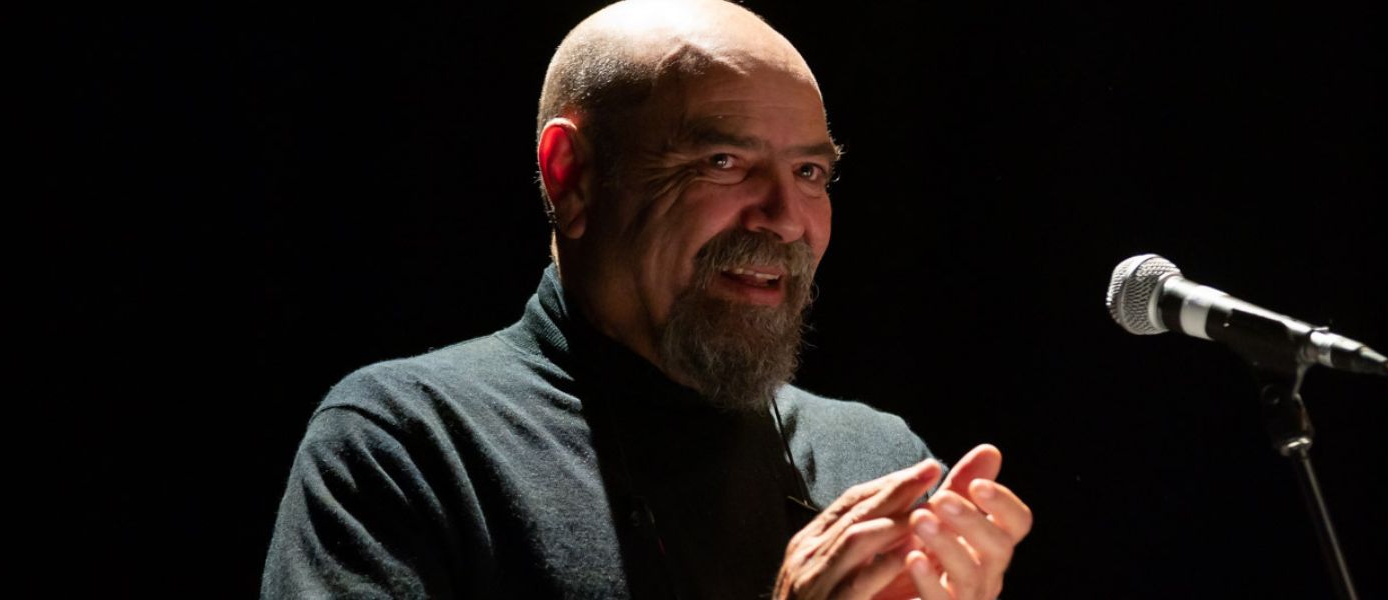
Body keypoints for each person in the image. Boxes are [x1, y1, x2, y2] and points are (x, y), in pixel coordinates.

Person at [261, 1, 1032, 598]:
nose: (786, 220)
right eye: (723, 160)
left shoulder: (878, 464)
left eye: (809, 173)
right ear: (572, 176)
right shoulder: (406, 447)